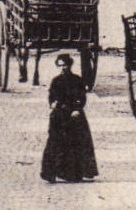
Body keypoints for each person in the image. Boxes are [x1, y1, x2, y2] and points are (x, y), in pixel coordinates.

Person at [40, 54, 99, 183]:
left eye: (64, 65)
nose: (62, 68)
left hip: (73, 114)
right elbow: (51, 95)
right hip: (60, 115)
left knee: (75, 142)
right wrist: (52, 103)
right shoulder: (55, 81)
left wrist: (77, 109)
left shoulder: (77, 80)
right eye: (60, 66)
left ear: (70, 65)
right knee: (55, 141)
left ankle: (75, 173)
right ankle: (51, 172)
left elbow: (81, 97)